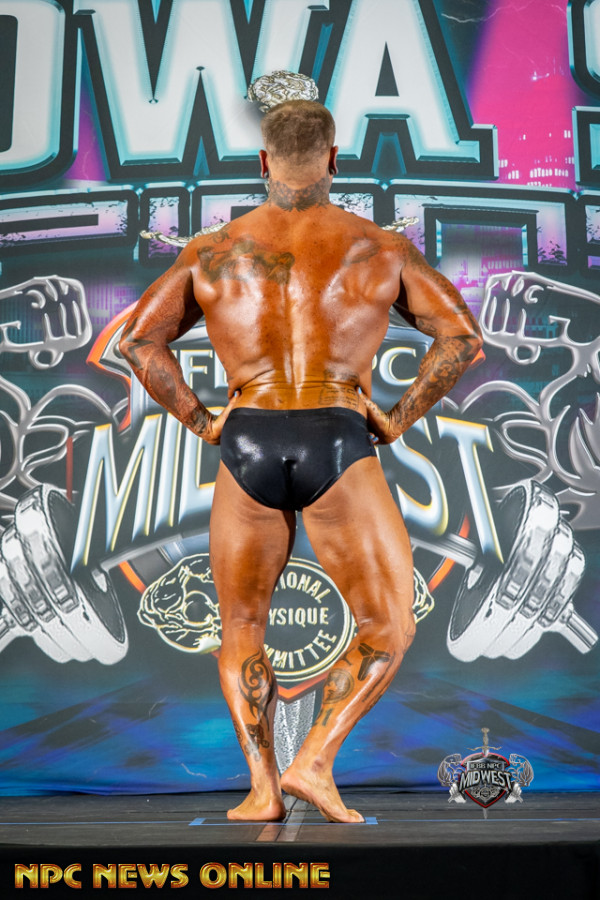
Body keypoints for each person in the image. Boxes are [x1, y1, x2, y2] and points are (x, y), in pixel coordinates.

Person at [119, 97, 482, 824]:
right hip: (336, 435)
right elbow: (463, 338)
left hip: (247, 439)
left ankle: (262, 789)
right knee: (388, 626)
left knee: (241, 627)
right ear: (335, 159)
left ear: (262, 162)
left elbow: (138, 342)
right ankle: (314, 760)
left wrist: (203, 420)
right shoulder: (378, 247)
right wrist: (396, 417)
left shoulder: (213, 251)